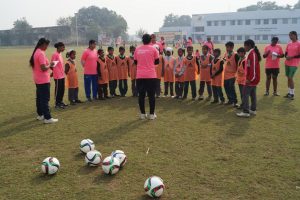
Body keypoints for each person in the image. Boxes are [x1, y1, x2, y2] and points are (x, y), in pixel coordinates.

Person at [29, 38, 58, 124]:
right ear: (43, 44)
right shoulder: (41, 53)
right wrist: (51, 65)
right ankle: (47, 118)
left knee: (39, 98)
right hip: (43, 79)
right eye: (46, 45)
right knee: (45, 99)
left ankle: (41, 114)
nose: (47, 47)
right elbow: (43, 68)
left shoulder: (36, 52)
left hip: (38, 78)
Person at [134, 34, 159, 120]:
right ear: (150, 40)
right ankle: (151, 114)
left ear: (142, 40)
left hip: (140, 75)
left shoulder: (137, 49)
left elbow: (136, 62)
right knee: (151, 95)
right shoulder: (154, 49)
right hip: (151, 75)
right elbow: (157, 62)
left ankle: (142, 114)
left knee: (141, 95)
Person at [237, 39, 261, 118]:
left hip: (251, 79)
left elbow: (253, 68)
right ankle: (253, 110)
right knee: (252, 94)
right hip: (252, 79)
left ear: (249, 45)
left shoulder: (252, 54)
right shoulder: (251, 53)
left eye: (245, 45)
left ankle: (246, 111)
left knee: (245, 94)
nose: (244, 47)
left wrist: (250, 79)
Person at [284, 31, 300, 100]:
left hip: (294, 63)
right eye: (289, 35)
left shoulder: (299, 43)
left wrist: (292, 57)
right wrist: (286, 56)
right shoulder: (289, 44)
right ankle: (289, 92)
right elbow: (286, 53)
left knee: (290, 77)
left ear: (295, 35)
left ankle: (292, 93)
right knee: (288, 78)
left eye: (291, 35)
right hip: (287, 63)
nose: (290, 37)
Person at [223, 41, 239, 107]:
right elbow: (224, 61)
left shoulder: (236, 55)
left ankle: (235, 102)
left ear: (232, 47)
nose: (227, 48)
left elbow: (239, 64)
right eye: (226, 47)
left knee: (231, 87)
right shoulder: (226, 54)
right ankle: (230, 100)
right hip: (225, 74)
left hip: (232, 75)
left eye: (228, 47)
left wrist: (237, 73)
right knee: (226, 87)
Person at [51, 42, 66, 108]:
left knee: (62, 89)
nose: (64, 48)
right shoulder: (55, 54)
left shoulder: (60, 54)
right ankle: (57, 103)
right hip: (57, 76)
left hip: (62, 75)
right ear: (59, 47)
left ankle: (60, 101)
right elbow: (52, 65)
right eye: (63, 47)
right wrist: (53, 72)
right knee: (58, 89)